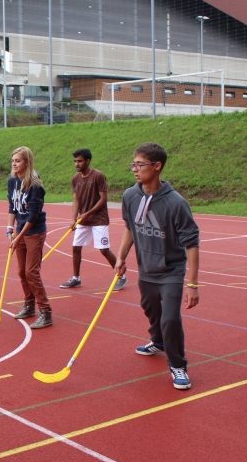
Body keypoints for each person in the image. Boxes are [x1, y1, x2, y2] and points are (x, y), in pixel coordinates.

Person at [114, 142, 200, 390]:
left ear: (157, 166)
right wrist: (121, 257)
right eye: (134, 164)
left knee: (170, 319)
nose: (135, 169)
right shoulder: (130, 196)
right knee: (150, 310)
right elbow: (130, 228)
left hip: (171, 271)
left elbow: (192, 244)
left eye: (140, 164)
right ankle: (159, 342)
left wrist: (192, 284)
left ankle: (178, 364)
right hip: (146, 270)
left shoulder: (176, 203)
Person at [61, 148, 127, 290]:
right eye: (75, 161)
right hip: (83, 220)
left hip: (99, 219)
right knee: (76, 247)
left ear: (88, 161)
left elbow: (103, 199)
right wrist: (74, 218)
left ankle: (121, 276)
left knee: (103, 249)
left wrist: (88, 213)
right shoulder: (75, 179)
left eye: (79, 161)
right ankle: (75, 278)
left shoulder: (98, 176)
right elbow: (76, 199)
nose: (76, 164)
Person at [7, 146, 53, 329]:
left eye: (18, 161)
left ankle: (46, 311)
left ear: (27, 162)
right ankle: (29, 305)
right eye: (13, 161)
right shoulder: (12, 181)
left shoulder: (35, 185)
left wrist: (19, 237)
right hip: (20, 231)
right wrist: (10, 231)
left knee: (31, 272)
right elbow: (12, 206)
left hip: (34, 232)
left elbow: (33, 216)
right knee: (21, 272)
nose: (14, 164)